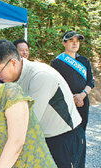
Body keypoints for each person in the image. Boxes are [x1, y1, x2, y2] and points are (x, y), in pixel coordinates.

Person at [0, 39, 85, 168]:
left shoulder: (40, 76)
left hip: (63, 140)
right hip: (42, 138)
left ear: (13, 62)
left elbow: (26, 123)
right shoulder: (12, 79)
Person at [51, 31, 94, 168]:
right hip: (66, 104)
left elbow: (90, 82)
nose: (75, 43)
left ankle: (80, 164)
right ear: (64, 43)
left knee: (81, 134)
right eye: (71, 40)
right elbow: (55, 84)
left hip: (83, 102)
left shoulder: (84, 61)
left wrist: (82, 95)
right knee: (67, 135)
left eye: (77, 40)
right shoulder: (57, 62)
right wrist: (72, 98)